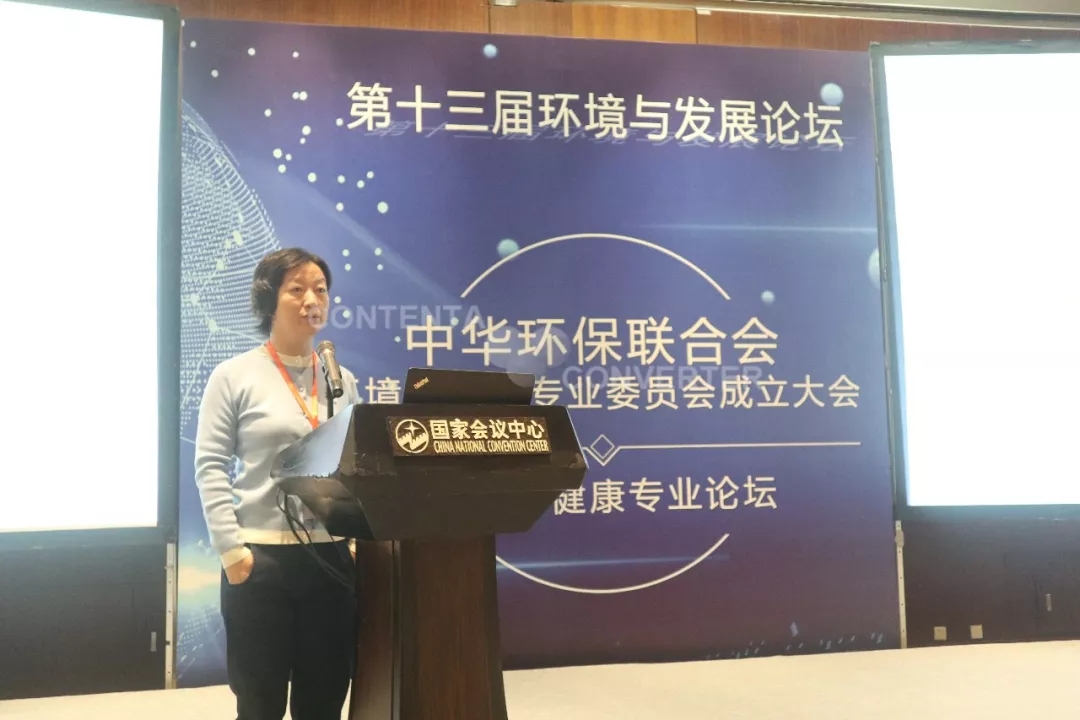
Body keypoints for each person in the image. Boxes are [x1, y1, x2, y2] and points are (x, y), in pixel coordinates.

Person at [195, 247, 361, 720]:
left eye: (321, 290)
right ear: (269, 300)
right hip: (262, 560)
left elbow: (356, 466)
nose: (312, 300)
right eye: (297, 289)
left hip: (330, 558)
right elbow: (210, 465)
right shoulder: (234, 376)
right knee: (259, 702)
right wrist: (233, 553)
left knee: (324, 700)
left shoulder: (342, 379)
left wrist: (352, 543)